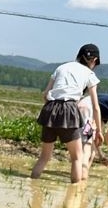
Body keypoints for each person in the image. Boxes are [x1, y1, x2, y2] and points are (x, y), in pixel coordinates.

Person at [30, 43, 102, 184]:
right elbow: (95, 106)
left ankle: (32, 184)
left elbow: (45, 94)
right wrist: (99, 130)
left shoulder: (61, 67)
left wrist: (52, 110)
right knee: (77, 157)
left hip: (50, 108)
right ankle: (75, 192)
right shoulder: (90, 74)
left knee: (44, 157)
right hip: (69, 110)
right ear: (94, 60)